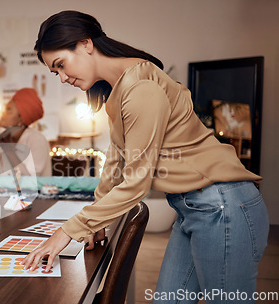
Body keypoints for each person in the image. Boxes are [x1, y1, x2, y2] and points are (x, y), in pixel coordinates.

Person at [22, 11, 268, 303]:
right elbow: (116, 162)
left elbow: (136, 183)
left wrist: (67, 231)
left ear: (86, 43)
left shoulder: (140, 88)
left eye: (61, 65)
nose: (62, 78)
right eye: (55, 72)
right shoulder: (121, 89)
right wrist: (95, 219)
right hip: (197, 208)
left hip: (222, 206)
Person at [0, 88, 52, 177]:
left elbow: (32, 180)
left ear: (21, 119)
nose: (3, 113)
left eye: (8, 110)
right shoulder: (3, 139)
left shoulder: (37, 140)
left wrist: (9, 151)